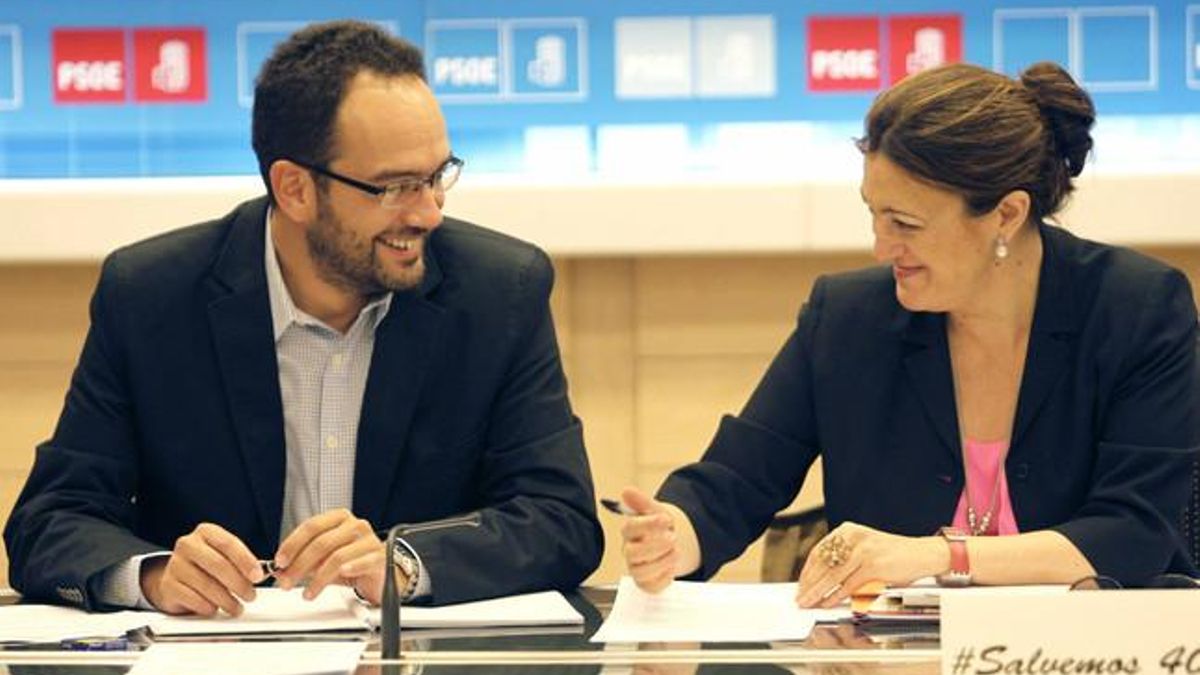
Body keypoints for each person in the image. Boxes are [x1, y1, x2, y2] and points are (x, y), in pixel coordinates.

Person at [4, 20, 602, 615]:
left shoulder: (499, 292)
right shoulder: (151, 297)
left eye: (437, 177)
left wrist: (404, 562)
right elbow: (51, 520)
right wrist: (154, 575)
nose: (429, 213)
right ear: (293, 189)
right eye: (394, 187)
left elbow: (559, 519)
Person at [618, 61, 1200, 606]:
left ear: (1006, 214)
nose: (880, 247)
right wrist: (677, 534)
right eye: (874, 214)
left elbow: (1134, 532)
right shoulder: (847, 318)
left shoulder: (1137, 309)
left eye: (906, 224)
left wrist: (933, 555)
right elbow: (737, 481)